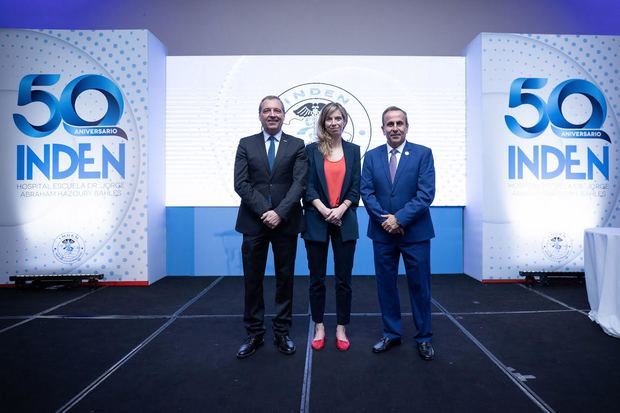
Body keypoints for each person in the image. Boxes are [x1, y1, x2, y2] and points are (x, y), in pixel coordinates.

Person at [233, 95, 308, 359]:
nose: (272, 114)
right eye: (267, 110)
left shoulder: (298, 145)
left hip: (285, 222)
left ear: (284, 115)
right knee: (252, 280)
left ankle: (282, 331)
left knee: (284, 278)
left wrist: (279, 213)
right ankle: (254, 332)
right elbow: (240, 184)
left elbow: (299, 184)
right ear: (260, 115)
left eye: (277, 110)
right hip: (254, 222)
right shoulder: (246, 144)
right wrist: (266, 212)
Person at [360, 106, 436, 360]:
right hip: (383, 234)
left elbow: (426, 194)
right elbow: (367, 193)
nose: (395, 128)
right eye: (389, 124)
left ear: (407, 126)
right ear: (382, 129)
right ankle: (391, 334)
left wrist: (400, 219)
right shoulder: (371, 157)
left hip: (415, 233)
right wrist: (387, 221)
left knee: (420, 287)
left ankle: (423, 337)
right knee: (386, 287)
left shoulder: (423, 154)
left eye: (399, 123)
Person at [302, 102, 360, 352]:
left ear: (344, 121)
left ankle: (341, 327)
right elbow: (307, 186)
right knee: (317, 279)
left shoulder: (354, 150)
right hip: (317, 219)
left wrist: (341, 208)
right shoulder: (311, 150)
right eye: (329, 119)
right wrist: (325, 210)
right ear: (323, 122)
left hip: (345, 220)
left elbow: (356, 187)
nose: (334, 122)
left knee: (343, 280)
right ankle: (319, 326)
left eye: (338, 118)